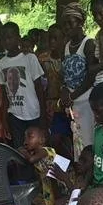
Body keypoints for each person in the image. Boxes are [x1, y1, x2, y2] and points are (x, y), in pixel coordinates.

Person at [0, 22, 46, 147]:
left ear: (18, 38)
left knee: (38, 148)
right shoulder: (0, 64)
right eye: (4, 38)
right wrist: (4, 119)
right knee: (20, 149)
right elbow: (4, 94)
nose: (7, 41)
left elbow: (39, 89)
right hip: (15, 115)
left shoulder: (29, 58)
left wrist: (43, 116)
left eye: (10, 37)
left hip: (34, 113)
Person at [60, 2, 99, 150]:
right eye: (64, 24)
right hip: (74, 103)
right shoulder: (66, 46)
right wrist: (64, 90)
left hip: (87, 101)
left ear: (81, 22)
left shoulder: (88, 44)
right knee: (78, 140)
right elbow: (64, 75)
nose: (67, 27)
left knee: (89, 140)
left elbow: (91, 76)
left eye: (70, 23)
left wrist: (72, 95)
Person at [38, 24, 72, 157]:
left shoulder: (70, 58)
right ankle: (58, 170)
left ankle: (73, 170)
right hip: (51, 106)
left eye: (56, 38)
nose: (52, 41)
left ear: (64, 39)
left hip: (70, 105)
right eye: (50, 38)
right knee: (55, 141)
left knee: (74, 139)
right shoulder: (42, 59)